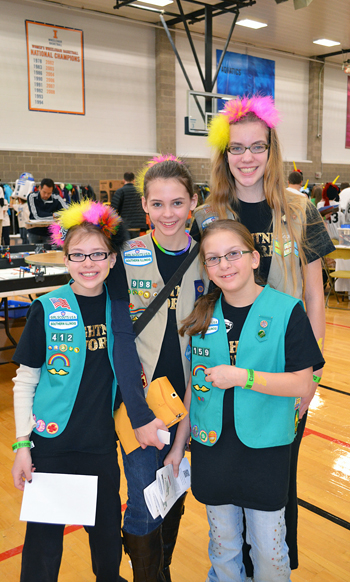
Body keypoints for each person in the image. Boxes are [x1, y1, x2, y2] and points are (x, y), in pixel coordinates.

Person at [190, 95, 334, 571]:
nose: (247, 157)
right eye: (236, 148)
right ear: (223, 155)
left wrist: (309, 375)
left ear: (272, 151)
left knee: (277, 482)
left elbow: (314, 293)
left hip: (284, 373)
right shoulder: (209, 214)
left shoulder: (299, 209)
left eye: (257, 147)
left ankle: (271, 568)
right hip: (226, 373)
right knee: (229, 484)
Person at [165, 219, 324, 582]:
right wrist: (178, 446)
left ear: (254, 258)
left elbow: (302, 383)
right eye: (214, 258)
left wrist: (243, 378)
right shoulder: (202, 316)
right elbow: (194, 389)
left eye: (233, 254)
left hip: (265, 449)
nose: (225, 265)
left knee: (268, 548)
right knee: (223, 544)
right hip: (212, 448)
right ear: (206, 267)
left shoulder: (287, 311)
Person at [11, 200, 129, 582]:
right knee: (43, 546)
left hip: (100, 446)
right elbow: (26, 380)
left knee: (108, 538)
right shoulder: (46, 308)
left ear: (112, 259)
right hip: (52, 446)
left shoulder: (121, 309)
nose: (88, 262)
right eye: (78, 254)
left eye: (98, 253)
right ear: (65, 258)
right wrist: (21, 445)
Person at [107, 154, 208, 582]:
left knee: (173, 491)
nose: (168, 214)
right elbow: (120, 339)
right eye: (158, 204)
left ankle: (160, 568)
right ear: (144, 205)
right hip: (139, 402)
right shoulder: (123, 257)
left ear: (193, 202)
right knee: (146, 497)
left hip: (189, 402)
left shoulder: (210, 258)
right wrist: (138, 412)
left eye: (178, 203)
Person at [27, 178, 67, 244]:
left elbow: (67, 211)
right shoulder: (32, 197)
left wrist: (54, 215)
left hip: (50, 234)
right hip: (34, 233)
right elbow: (37, 216)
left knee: (50, 253)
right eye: (44, 192)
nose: (46, 195)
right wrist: (54, 215)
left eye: (49, 193)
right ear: (40, 188)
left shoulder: (56, 198)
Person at [111, 171, 148, 238]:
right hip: (138, 226)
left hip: (125, 225)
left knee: (126, 246)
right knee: (136, 246)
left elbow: (113, 209)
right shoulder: (139, 192)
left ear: (123, 180)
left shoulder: (120, 191)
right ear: (134, 180)